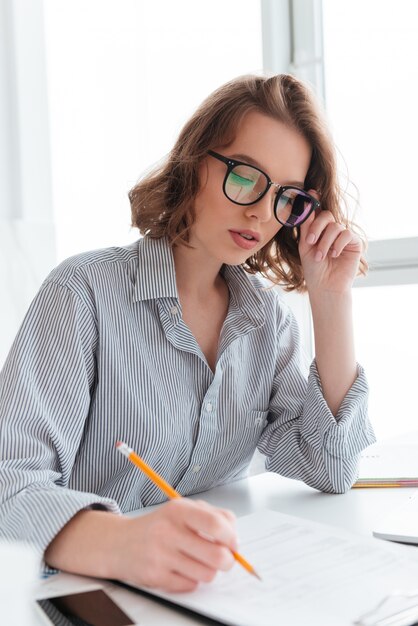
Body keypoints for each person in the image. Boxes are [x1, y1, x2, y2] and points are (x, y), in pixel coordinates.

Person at [0, 73, 375, 592]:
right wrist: (122, 542)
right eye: (245, 175)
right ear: (195, 161)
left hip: (208, 591)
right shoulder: (83, 292)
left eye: (287, 198)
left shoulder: (265, 324)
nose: (262, 212)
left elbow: (330, 466)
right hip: (78, 593)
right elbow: (10, 487)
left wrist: (331, 302)